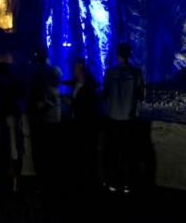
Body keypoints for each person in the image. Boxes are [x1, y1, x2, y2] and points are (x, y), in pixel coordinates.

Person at [103, 42, 144, 195]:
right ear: (130, 54)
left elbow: (105, 93)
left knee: (112, 152)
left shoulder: (110, 72)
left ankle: (112, 182)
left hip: (113, 117)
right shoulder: (136, 73)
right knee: (129, 153)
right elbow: (140, 95)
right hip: (129, 119)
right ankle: (127, 184)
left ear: (118, 55)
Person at [27, 47, 63, 193]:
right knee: (52, 149)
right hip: (54, 118)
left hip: (40, 118)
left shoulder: (35, 73)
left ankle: (41, 180)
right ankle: (53, 179)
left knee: (40, 150)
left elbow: (31, 93)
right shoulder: (55, 71)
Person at [0, 61, 23, 194]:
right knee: (15, 152)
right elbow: (20, 96)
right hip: (12, 116)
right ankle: (16, 184)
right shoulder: (14, 80)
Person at [66, 59, 100, 192]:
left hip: (85, 125)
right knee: (82, 152)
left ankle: (87, 180)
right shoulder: (78, 83)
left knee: (86, 152)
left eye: (75, 68)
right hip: (79, 123)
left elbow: (85, 107)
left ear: (80, 69)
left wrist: (71, 103)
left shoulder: (88, 87)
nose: (73, 71)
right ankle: (84, 179)